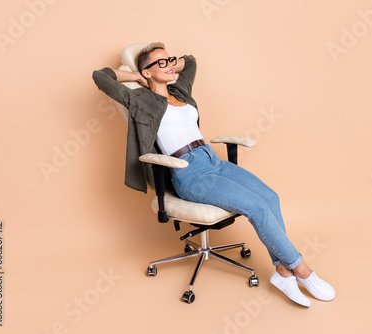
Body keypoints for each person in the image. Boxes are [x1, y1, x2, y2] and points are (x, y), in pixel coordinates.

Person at [92, 42, 335, 307]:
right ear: (147, 72)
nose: (169, 65)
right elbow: (101, 77)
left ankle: (281, 272)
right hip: (188, 172)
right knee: (256, 207)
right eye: (160, 63)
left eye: (170, 60)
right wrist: (137, 76)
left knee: (270, 197)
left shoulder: (180, 90)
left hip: (213, 160)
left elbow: (192, 61)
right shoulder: (139, 98)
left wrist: (165, 64)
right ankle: (302, 271)